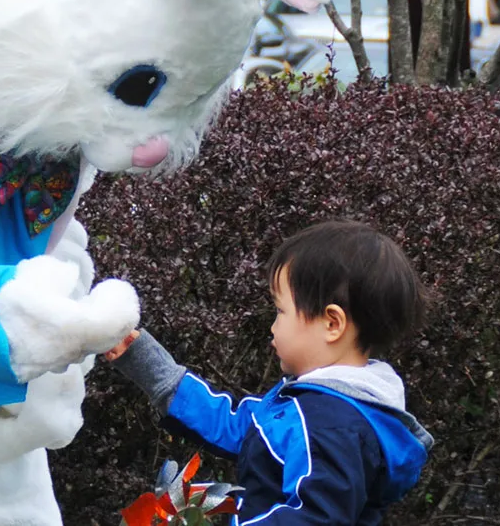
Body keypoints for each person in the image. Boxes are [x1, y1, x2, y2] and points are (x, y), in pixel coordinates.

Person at [105, 220, 434, 524]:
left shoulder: (333, 425)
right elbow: (237, 426)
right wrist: (149, 365)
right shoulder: (314, 405)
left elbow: (315, 518)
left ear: (331, 324)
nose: (273, 325)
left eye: (280, 310)